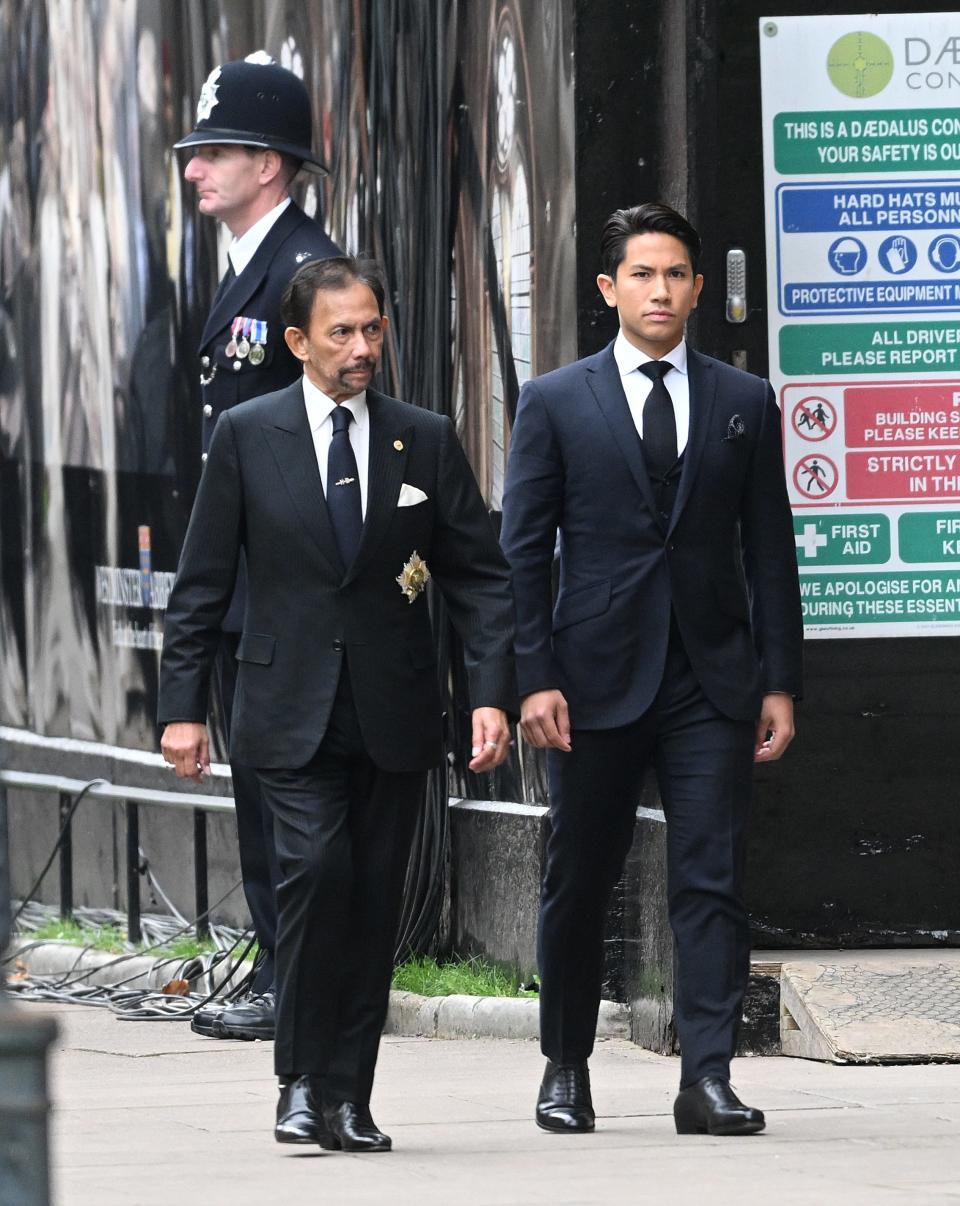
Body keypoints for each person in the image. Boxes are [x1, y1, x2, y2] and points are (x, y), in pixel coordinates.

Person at [158, 256, 515, 1151]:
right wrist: (183, 708)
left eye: (373, 330)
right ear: (297, 342)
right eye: (341, 333)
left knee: (372, 899)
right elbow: (200, 585)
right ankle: (300, 1083)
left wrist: (490, 696)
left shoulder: (422, 437)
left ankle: (351, 1096)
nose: (362, 349)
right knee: (316, 875)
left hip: (394, 712)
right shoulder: (248, 434)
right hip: (284, 706)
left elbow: (478, 576)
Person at [500, 202, 802, 1137]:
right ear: (609, 289)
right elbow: (522, 550)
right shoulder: (555, 400)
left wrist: (779, 680)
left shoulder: (745, 403)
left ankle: (705, 1077)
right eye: (642, 274)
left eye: (676, 275)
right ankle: (565, 1067)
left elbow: (770, 552)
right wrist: (534, 675)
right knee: (580, 876)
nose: (660, 290)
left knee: (710, 876)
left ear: (700, 288)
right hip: (590, 683)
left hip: (711, 680)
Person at [173, 54, 340, 1041]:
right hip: (247, 584)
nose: (196, 169)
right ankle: (284, 968)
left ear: (270, 165)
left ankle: (298, 980)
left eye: (216, 153)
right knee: (262, 793)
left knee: (285, 793)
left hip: (286, 587)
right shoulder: (252, 265)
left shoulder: (305, 273)